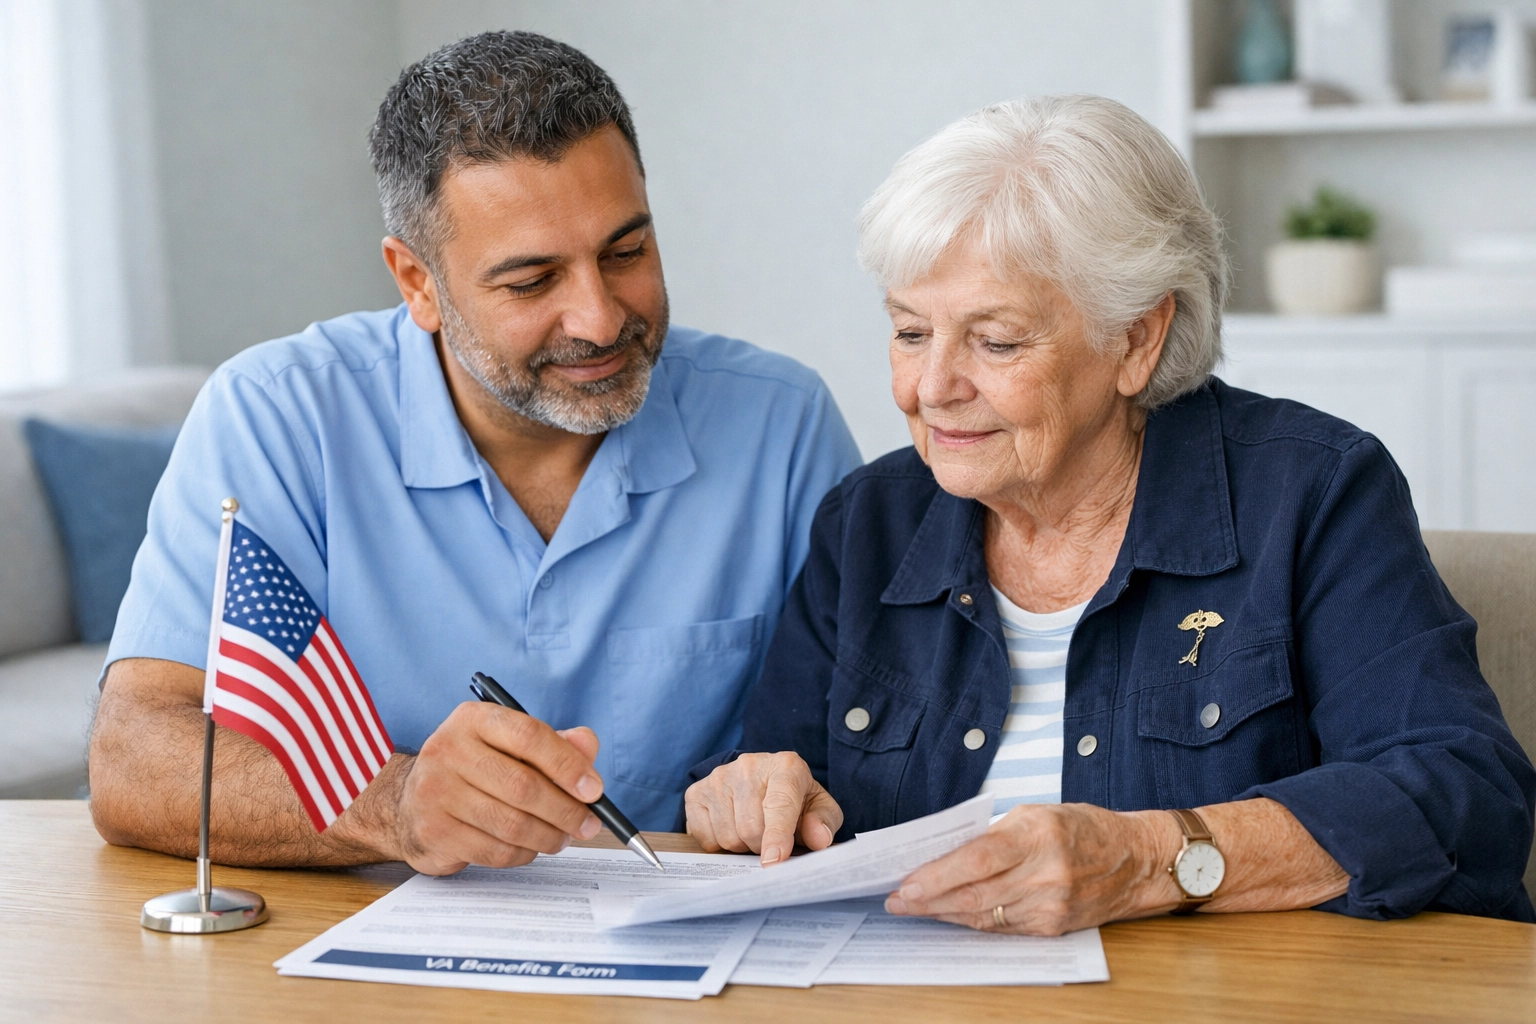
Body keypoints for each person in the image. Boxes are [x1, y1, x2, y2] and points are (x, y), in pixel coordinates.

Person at [685, 96, 1535, 932]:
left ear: (1137, 339)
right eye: (911, 332)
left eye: (996, 341)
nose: (931, 388)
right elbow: (781, 800)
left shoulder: (1313, 492)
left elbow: (1463, 793)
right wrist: (750, 794)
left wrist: (1153, 859)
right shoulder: (867, 524)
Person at [88, 31, 860, 874]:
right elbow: (133, 757)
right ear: (417, 283)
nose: (600, 319)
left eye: (626, 251)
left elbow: (876, 732)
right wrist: (393, 804)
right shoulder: (279, 415)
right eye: (532, 282)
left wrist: (788, 785)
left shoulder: (783, 425)